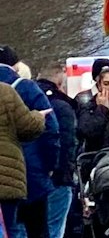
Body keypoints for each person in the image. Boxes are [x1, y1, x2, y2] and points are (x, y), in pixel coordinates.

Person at [0, 52, 54, 238]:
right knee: (10, 229)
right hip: (7, 176)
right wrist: (39, 117)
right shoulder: (7, 91)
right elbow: (27, 127)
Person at [25, 71, 74, 238]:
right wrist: (55, 167)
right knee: (53, 228)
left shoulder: (23, 100)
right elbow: (66, 143)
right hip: (57, 177)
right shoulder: (62, 106)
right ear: (60, 84)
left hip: (29, 178)